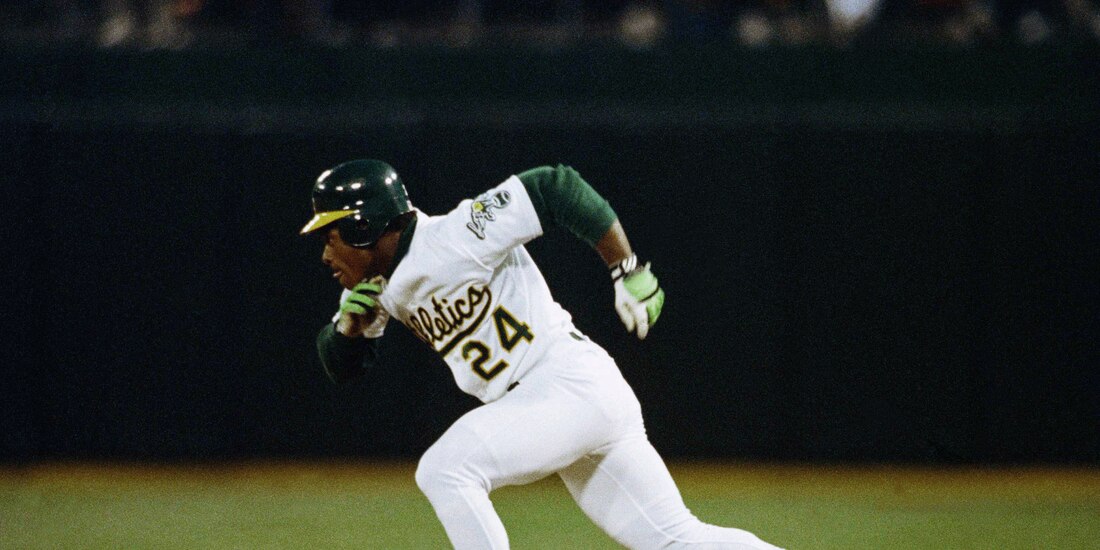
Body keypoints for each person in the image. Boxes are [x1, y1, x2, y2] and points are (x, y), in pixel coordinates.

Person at [300, 159, 782, 550]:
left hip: (563, 384)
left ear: (364, 226)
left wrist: (625, 268)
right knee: (676, 539)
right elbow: (341, 366)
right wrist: (348, 329)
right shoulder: (375, 287)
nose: (326, 253)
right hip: (568, 397)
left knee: (446, 469)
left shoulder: (455, 235)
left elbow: (556, 186)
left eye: (332, 234)